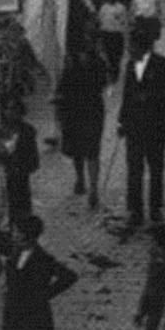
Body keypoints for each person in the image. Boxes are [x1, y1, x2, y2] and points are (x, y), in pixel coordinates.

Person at [118, 27, 165, 229]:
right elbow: (127, 96)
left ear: (142, 46)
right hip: (134, 126)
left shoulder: (162, 64)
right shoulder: (129, 66)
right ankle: (135, 210)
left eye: (132, 46)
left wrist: (152, 97)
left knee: (156, 169)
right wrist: (122, 121)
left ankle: (155, 208)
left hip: (156, 124)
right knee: (134, 170)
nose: (129, 49)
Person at [53, 38, 109, 207]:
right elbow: (62, 87)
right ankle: (80, 178)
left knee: (92, 149)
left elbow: (104, 83)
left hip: (91, 111)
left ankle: (93, 188)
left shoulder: (98, 64)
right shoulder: (71, 66)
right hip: (74, 112)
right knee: (77, 149)